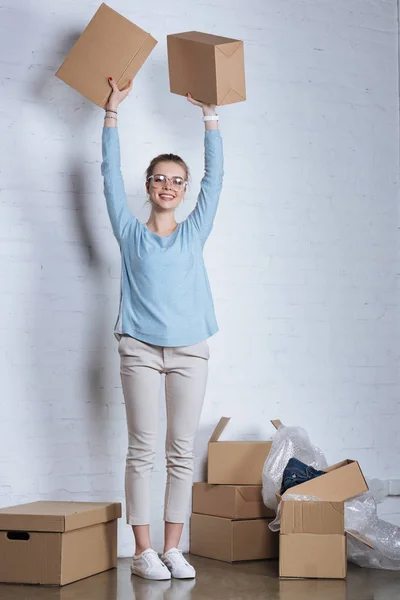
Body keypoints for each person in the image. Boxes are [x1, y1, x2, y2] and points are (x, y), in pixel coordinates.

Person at [101, 76, 223, 581]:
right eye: (160, 179)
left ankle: (173, 548)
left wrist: (210, 118)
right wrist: (111, 113)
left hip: (190, 349)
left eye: (177, 180)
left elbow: (216, 179)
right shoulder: (129, 231)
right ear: (148, 186)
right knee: (142, 448)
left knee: (181, 450)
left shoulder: (194, 230)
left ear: (184, 189)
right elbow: (108, 175)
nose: (168, 186)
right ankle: (143, 549)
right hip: (140, 350)